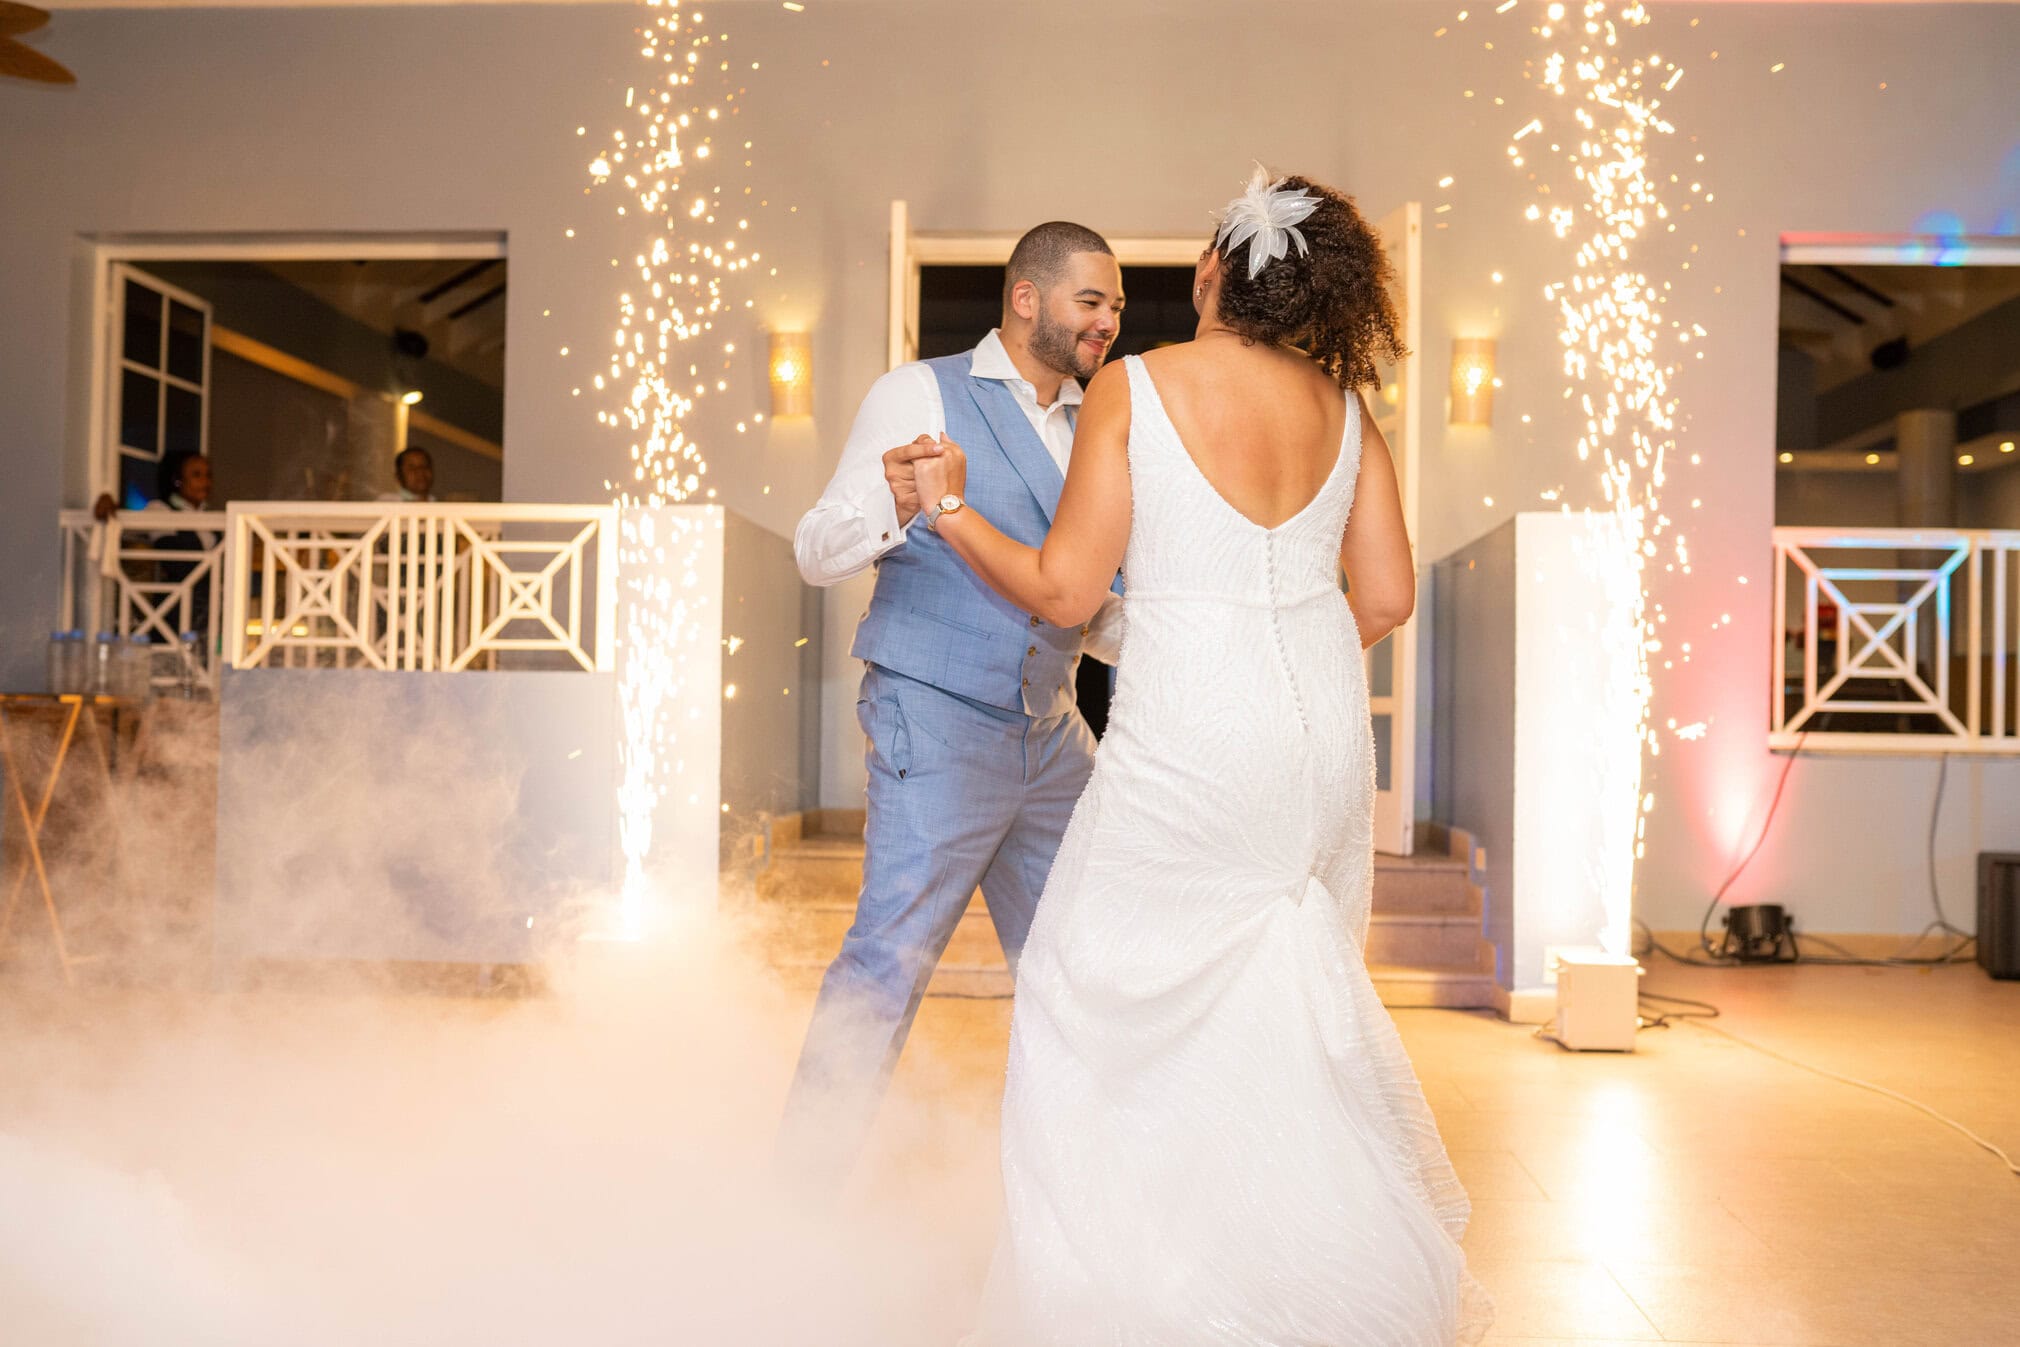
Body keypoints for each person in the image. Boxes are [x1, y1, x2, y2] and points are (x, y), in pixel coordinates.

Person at [917, 169, 1489, 1345]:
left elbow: (1068, 588)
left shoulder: (1135, 384)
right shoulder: (1345, 408)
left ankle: (1141, 1304)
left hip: (1196, 737)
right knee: (1283, 1016)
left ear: (1217, 271)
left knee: (1091, 1003)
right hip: (1325, 740)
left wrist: (952, 512)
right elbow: (1381, 595)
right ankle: (1306, 1300)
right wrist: (1241, 613)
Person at [781, 221, 1128, 1179]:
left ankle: (1085, 1197)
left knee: (1083, 966)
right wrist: (895, 505)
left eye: (1116, 309)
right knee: (887, 963)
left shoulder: (1099, 425)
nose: (1107, 323)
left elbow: (1094, 604)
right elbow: (816, 552)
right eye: (1090, 302)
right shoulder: (917, 391)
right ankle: (796, 1195)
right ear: (1027, 298)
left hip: (1055, 737)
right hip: (932, 722)